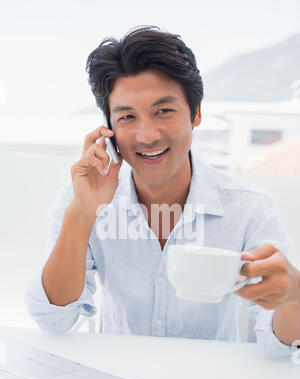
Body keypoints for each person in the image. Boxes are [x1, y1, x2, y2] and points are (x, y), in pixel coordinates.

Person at [25, 25, 300, 357]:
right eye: (127, 116)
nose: (146, 135)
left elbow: (279, 347)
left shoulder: (250, 208)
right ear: (108, 130)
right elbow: (52, 320)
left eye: (163, 111)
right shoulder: (81, 200)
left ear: (195, 113)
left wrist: (294, 296)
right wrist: (82, 214)